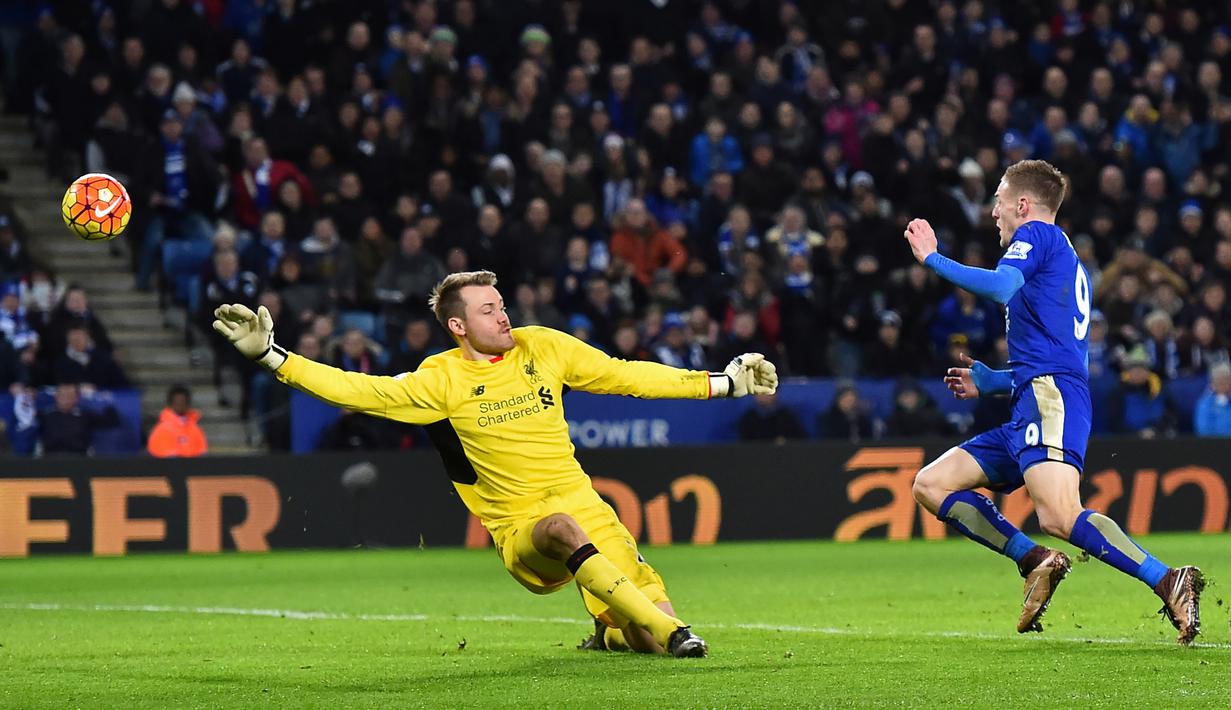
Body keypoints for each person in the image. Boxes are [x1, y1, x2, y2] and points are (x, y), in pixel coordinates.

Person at [213, 270, 777, 657]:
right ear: (458, 326)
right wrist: (270, 355)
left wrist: (723, 383)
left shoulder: (543, 347)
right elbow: (359, 390)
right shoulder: (442, 380)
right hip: (522, 528)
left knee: (638, 640)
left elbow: (627, 374)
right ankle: (677, 632)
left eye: (502, 305)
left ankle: (614, 632)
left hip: (588, 508)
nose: (504, 316)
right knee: (567, 536)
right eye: (489, 310)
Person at [904, 160, 1203, 644]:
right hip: (1034, 397)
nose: (994, 212)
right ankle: (1033, 559)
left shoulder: (1038, 235)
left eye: (999, 201)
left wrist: (932, 259)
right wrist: (995, 382)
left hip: (1051, 399)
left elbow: (1002, 288)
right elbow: (1054, 351)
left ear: (1023, 204)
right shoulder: (1060, 256)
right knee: (931, 484)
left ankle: (1168, 580)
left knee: (1060, 514)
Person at [147, 384, 208, 457]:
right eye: (178, 402)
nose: (181, 404)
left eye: (183, 401)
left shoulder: (196, 430)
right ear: (171, 403)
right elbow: (167, 460)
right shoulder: (162, 430)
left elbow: (202, 455)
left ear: (188, 403)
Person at [1194, 363, 1231, 436]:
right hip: (1213, 444)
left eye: (1227, 380)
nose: (1223, 384)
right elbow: (1203, 429)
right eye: (1220, 381)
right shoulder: (1205, 404)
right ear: (1213, 384)